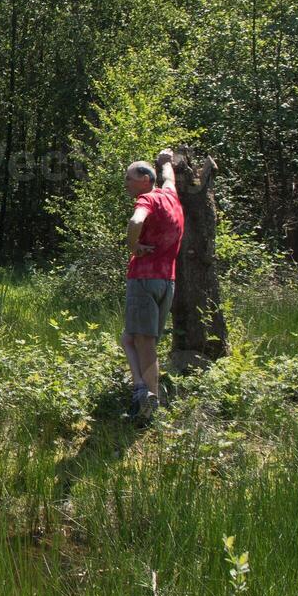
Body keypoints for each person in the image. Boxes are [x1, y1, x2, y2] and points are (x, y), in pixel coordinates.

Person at [120, 149, 184, 423]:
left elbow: (136, 221)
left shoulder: (146, 200)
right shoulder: (170, 194)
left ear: (146, 179)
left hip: (144, 279)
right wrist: (166, 160)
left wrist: (133, 245)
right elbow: (169, 176)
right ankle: (140, 388)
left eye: (130, 178)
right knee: (130, 338)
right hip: (167, 281)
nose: (126, 183)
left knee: (145, 343)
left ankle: (150, 402)